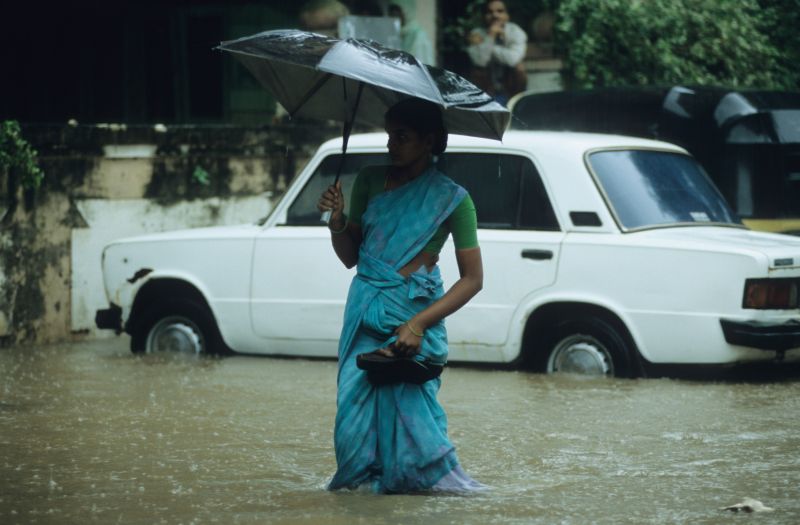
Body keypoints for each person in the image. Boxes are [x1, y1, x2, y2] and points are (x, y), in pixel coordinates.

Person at [317, 98, 484, 493]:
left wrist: (418, 324)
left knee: (414, 429)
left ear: (429, 141)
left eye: (402, 137)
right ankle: (361, 499)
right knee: (351, 426)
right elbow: (351, 258)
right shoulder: (370, 180)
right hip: (366, 311)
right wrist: (337, 222)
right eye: (389, 135)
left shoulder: (454, 199)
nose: (391, 145)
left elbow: (473, 279)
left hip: (413, 324)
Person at [466, 0, 528, 106]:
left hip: (509, 83)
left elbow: (512, 60)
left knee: (519, 68)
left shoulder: (516, 32)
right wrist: (491, 36)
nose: (495, 15)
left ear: (507, 15)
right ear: (484, 16)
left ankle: (517, 102)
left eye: (500, 11)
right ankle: (482, 103)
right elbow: (480, 62)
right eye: (489, 12)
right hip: (488, 84)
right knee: (478, 71)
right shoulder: (477, 33)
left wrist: (488, 45)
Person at [388, 1, 434, 65]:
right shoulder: (393, 35)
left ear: (407, 13)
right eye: (391, 14)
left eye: (398, 13)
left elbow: (424, 66)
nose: (394, 18)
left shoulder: (419, 36)